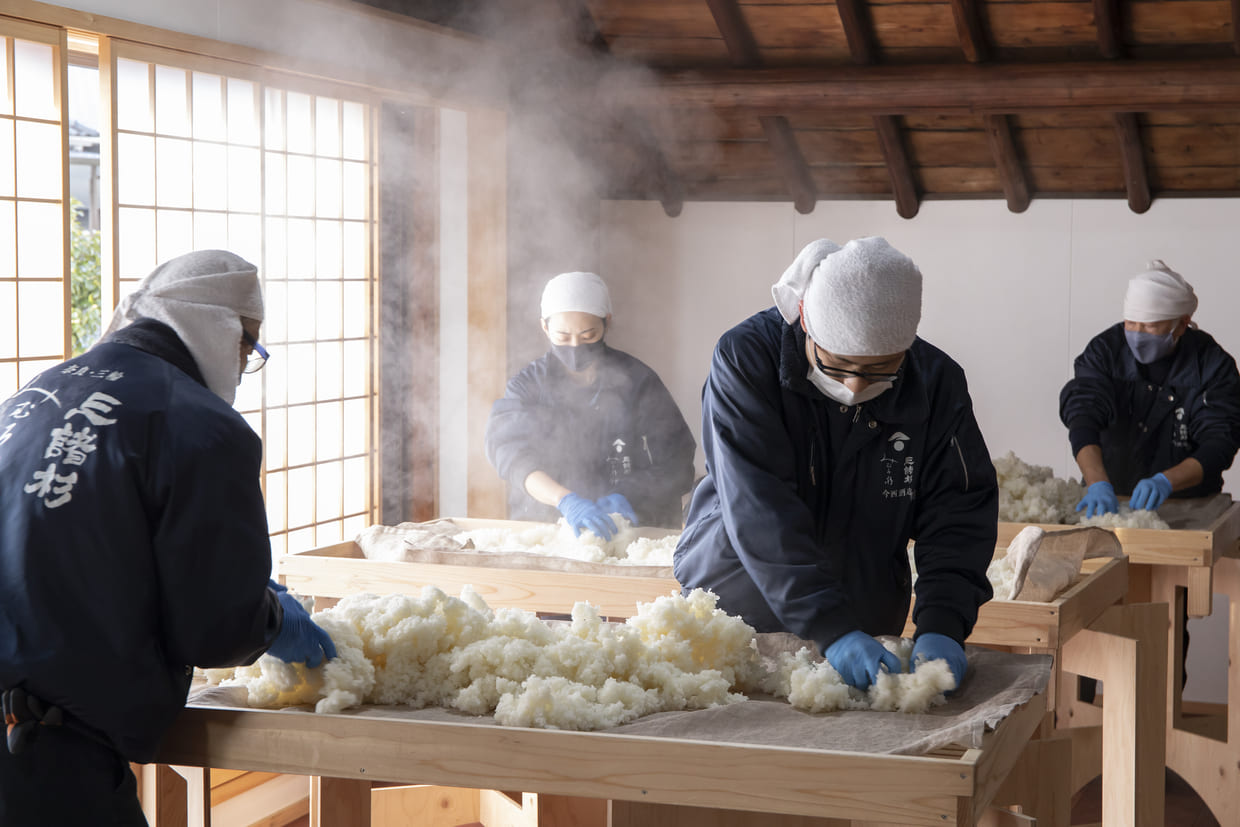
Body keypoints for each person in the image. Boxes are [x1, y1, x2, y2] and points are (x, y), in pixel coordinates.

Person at [0, 250, 336, 826]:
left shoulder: (35, 394)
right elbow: (214, 631)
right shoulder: (203, 426)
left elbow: (80, 550)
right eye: (247, 347)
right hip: (43, 749)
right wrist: (271, 620)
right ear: (220, 328)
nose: (242, 364)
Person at [674, 237, 998, 691]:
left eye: (881, 369)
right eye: (838, 364)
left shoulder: (936, 382)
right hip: (737, 607)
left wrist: (944, 620)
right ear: (806, 323)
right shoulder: (747, 360)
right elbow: (759, 506)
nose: (855, 383)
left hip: (865, 614)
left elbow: (958, 512)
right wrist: (830, 626)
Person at [485, 271, 696, 538]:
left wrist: (627, 495)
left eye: (588, 335)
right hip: (548, 526)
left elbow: (677, 458)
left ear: (607, 323)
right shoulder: (527, 386)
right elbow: (509, 455)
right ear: (545, 327)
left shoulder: (638, 381)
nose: (575, 346)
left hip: (633, 523)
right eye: (563, 337)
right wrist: (565, 500)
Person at [1061, 259, 1240, 518]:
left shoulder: (1212, 366)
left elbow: (1220, 442)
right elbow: (1082, 415)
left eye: (1150, 325)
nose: (1137, 333)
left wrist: (1165, 482)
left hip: (1188, 504)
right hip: (1109, 499)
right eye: (1131, 323)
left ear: (1181, 323)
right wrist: (1097, 482)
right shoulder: (1105, 352)